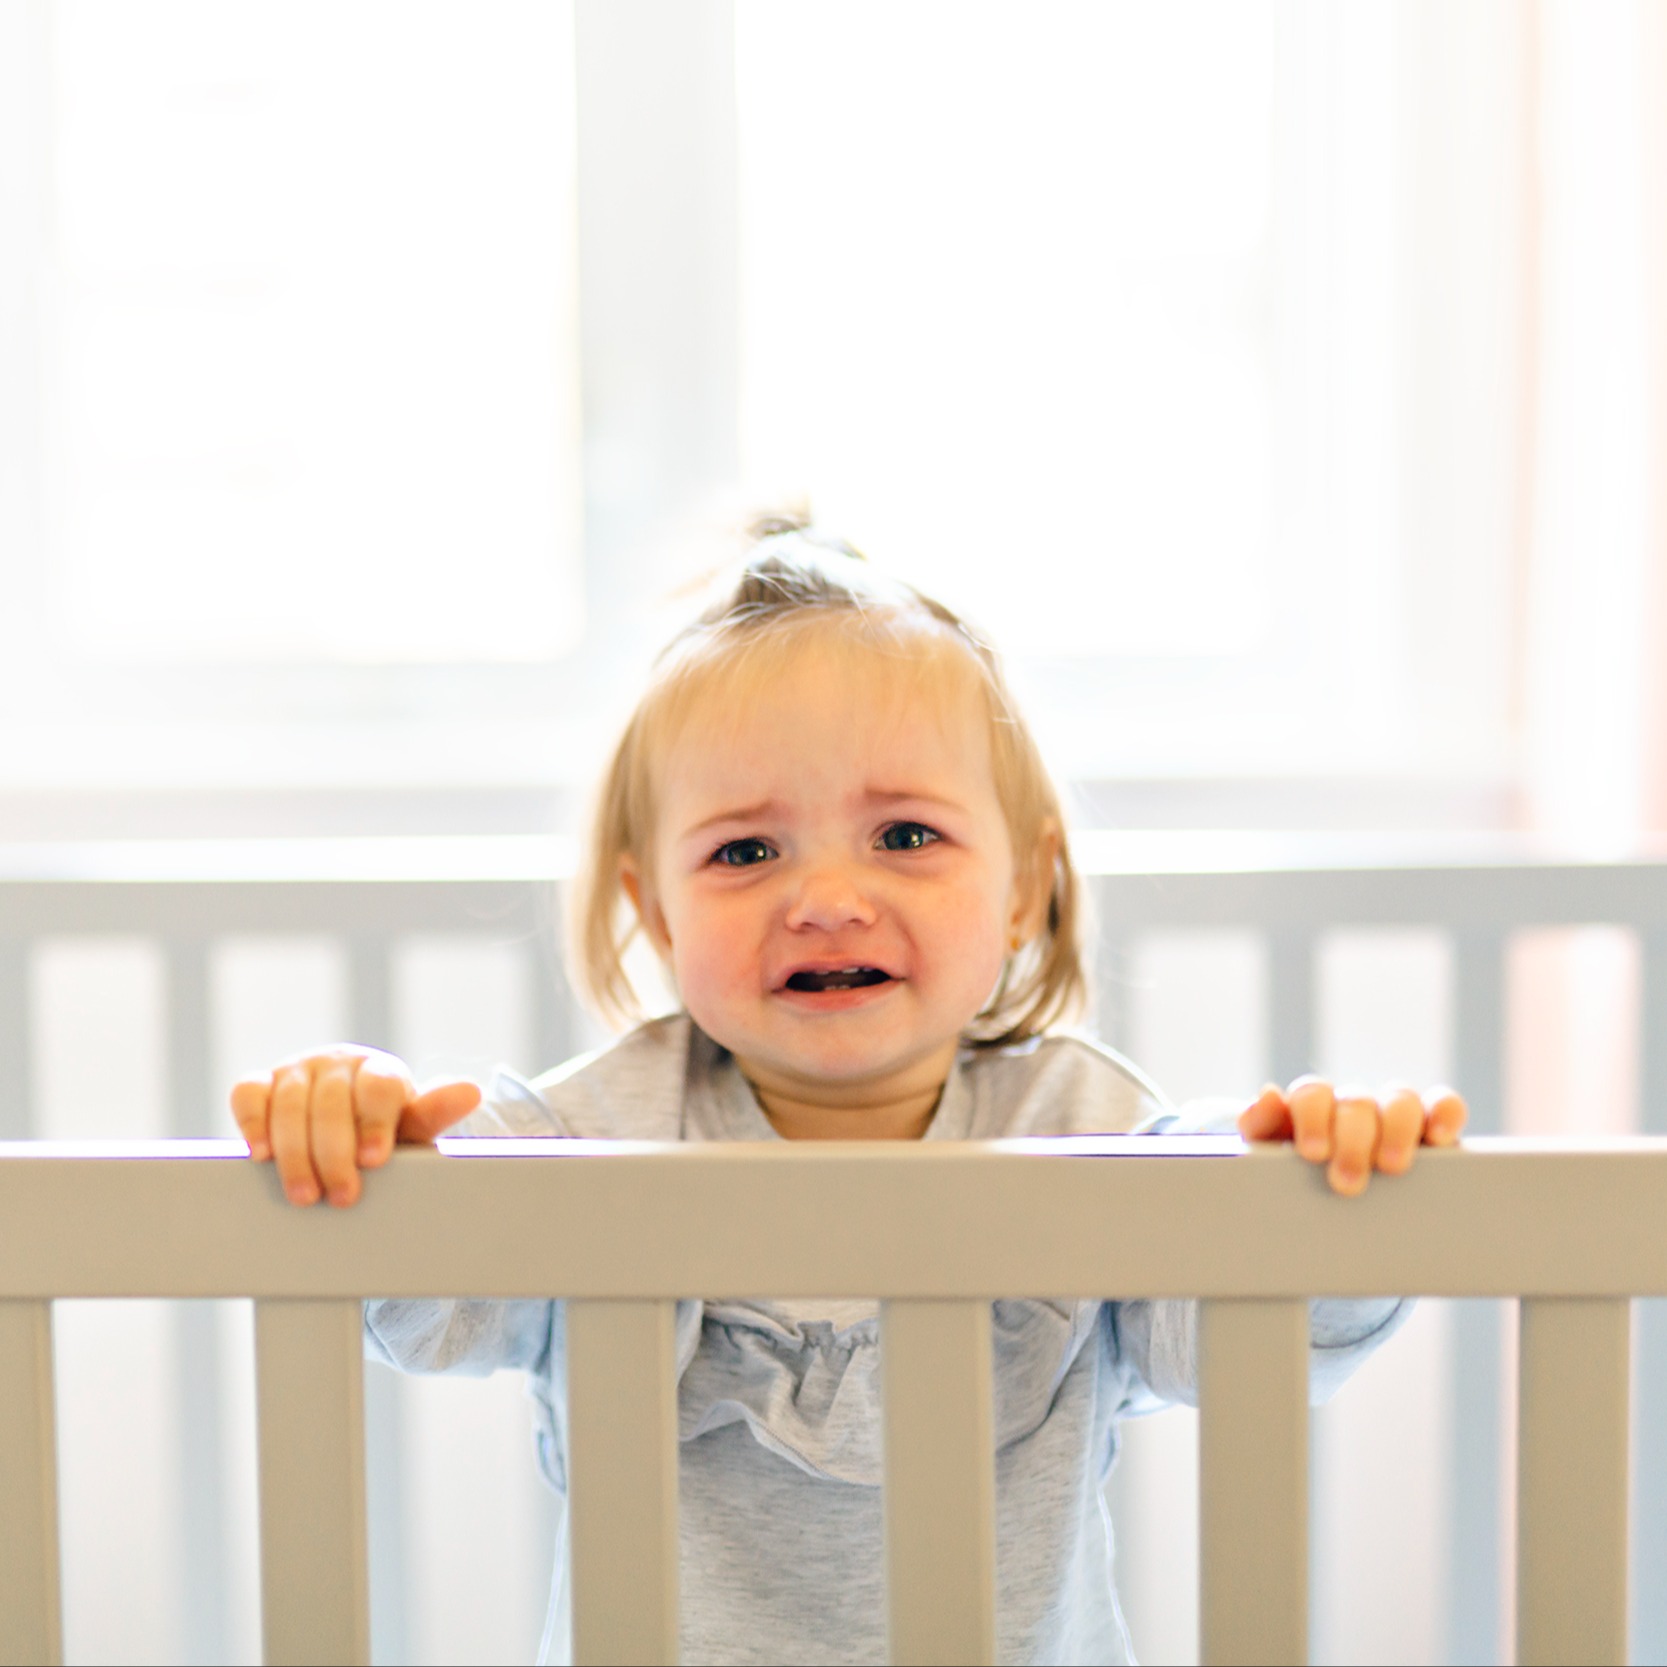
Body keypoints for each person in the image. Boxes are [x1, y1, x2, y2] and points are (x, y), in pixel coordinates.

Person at [229, 518, 1466, 1666]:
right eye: (744, 850)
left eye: (905, 835)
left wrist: (1331, 1191)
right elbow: (423, 1295)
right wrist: (371, 1140)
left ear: (1024, 887)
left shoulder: (1076, 1123)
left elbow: (1253, 1333)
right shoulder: (600, 1129)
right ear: (655, 912)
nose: (823, 896)